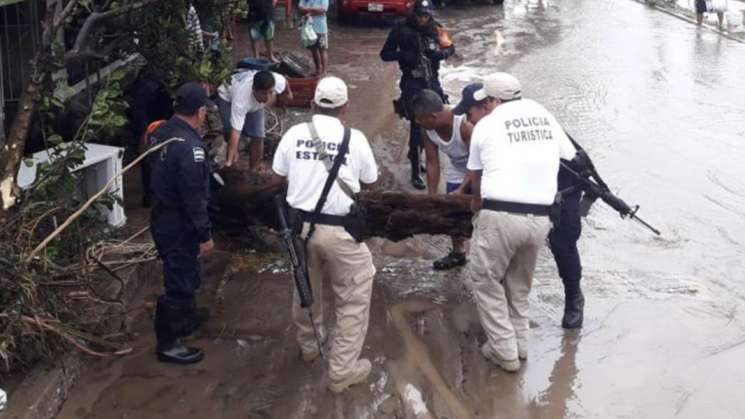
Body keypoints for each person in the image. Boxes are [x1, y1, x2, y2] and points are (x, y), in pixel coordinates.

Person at [270, 76, 379, 393]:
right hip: (341, 231)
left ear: (313, 103)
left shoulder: (293, 134)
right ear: (346, 107)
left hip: (299, 230)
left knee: (306, 287)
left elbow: (277, 180)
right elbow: (370, 182)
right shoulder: (354, 138)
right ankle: (342, 370)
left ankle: (310, 346)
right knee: (354, 296)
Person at [465, 73, 578, 372]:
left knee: (485, 280)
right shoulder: (543, 113)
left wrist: (476, 209)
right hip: (540, 220)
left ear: (493, 101)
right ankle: (521, 344)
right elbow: (569, 156)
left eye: (486, 102)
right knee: (519, 283)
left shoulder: (486, 124)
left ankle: (504, 351)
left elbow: (476, 177)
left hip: (501, 214)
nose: (485, 108)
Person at [149, 82, 215, 364]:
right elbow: (194, 197)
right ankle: (168, 343)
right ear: (200, 112)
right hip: (179, 223)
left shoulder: (161, 132)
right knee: (179, 279)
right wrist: (205, 235)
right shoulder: (190, 148)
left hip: (161, 215)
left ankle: (186, 317)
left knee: (186, 272)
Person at [380, 0, 454, 190]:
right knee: (416, 124)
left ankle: (421, 155)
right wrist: (403, 55)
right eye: (420, 15)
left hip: (432, 80)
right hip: (412, 81)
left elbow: (450, 47)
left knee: (436, 119)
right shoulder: (401, 29)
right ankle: (414, 170)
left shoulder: (437, 29)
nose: (422, 19)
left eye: (426, 15)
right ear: (414, 13)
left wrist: (440, 54)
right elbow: (385, 54)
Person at [411, 88, 475, 270]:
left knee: (481, 212)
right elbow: (432, 162)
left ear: (433, 116)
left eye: (419, 118)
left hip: (480, 167)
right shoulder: (427, 129)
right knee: (452, 210)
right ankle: (458, 252)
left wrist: (463, 189)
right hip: (457, 167)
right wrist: (432, 197)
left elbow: (477, 163)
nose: (416, 122)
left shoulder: (464, 125)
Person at [217, 69, 293, 169]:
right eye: (264, 93)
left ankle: (254, 169)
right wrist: (229, 162)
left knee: (258, 136)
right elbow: (235, 133)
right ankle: (232, 165)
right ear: (254, 89)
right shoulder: (241, 100)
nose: (267, 98)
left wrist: (288, 93)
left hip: (254, 104)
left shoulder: (276, 81)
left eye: (271, 92)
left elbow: (284, 82)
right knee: (230, 134)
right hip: (227, 97)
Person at [298, 0, 329, 75]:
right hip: (308, 29)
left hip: (321, 28)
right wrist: (314, 10)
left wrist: (308, 11)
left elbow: (323, 10)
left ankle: (324, 70)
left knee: (322, 49)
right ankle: (318, 69)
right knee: (313, 50)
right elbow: (300, 8)